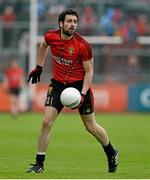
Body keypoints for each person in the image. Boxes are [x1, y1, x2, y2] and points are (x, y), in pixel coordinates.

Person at [26, 8, 119, 174]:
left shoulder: (83, 46)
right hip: (58, 85)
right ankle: (39, 164)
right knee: (46, 122)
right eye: (69, 21)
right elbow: (43, 45)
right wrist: (39, 67)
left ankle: (111, 152)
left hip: (79, 86)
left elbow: (89, 72)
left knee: (90, 127)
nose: (72, 25)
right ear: (61, 24)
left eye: (75, 22)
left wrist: (83, 94)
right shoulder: (50, 36)